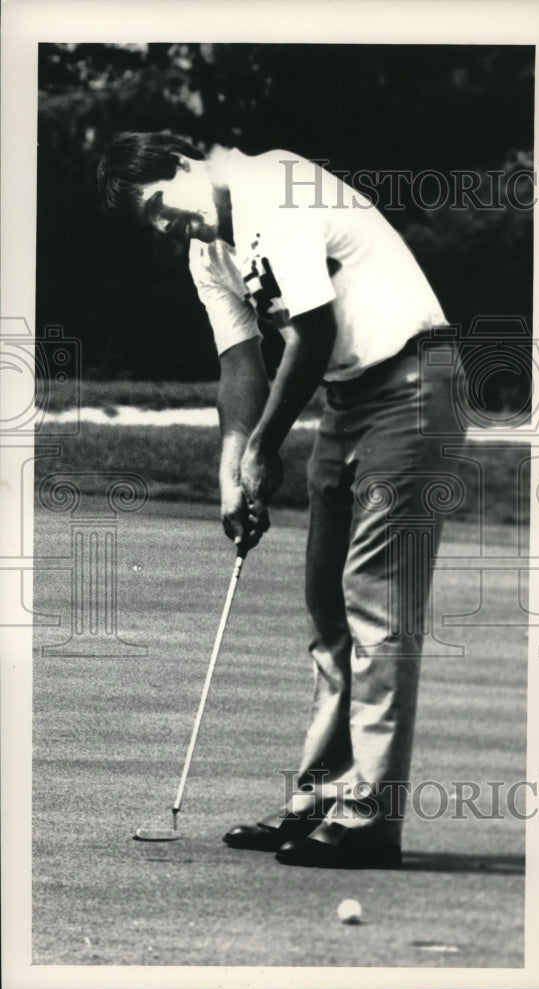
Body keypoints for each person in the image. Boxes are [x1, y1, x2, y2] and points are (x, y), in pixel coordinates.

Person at [97, 132, 466, 868]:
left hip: (415, 384)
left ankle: (369, 818)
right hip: (347, 398)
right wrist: (233, 469)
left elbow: (311, 330)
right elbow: (240, 362)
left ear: (184, 166)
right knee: (327, 604)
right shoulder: (209, 251)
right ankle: (317, 798)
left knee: (374, 604)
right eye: (150, 223)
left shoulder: (274, 185)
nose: (166, 227)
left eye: (160, 206)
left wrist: (265, 448)